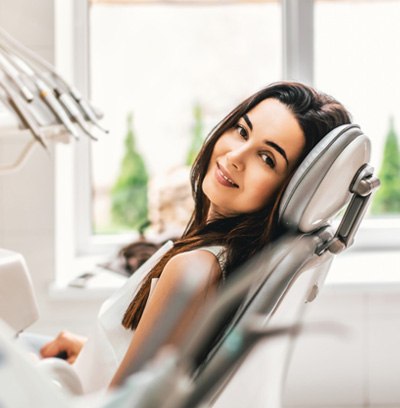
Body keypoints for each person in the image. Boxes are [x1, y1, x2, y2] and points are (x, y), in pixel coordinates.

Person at [40, 81, 351, 392]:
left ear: (289, 191)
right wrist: (90, 354)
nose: (235, 157)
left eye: (267, 158)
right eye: (242, 131)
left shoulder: (194, 270)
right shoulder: (229, 261)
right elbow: (165, 372)